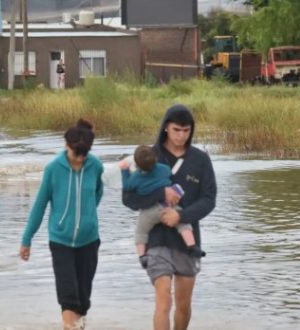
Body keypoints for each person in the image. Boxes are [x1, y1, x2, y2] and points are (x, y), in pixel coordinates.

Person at [122, 104, 217, 330]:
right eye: (176, 130)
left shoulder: (200, 160)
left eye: (186, 131)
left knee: (183, 306)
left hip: (187, 241)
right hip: (156, 241)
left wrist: (181, 215)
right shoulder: (147, 156)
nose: (181, 136)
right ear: (166, 127)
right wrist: (159, 193)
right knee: (163, 300)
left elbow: (209, 199)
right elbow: (129, 199)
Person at [20, 119, 104, 330]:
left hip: (89, 241)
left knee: (83, 302)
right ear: (66, 145)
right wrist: (26, 239)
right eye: (76, 155)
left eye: (83, 156)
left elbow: (97, 195)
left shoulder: (95, 166)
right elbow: (40, 205)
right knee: (68, 297)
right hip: (61, 241)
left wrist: (87, 218)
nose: (79, 161)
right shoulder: (53, 169)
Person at [119, 145, 204, 269]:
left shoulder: (135, 178)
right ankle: (192, 246)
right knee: (183, 223)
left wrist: (125, 171)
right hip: (168, 206)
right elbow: (169, 173)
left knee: (141, 232)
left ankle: (142, 256)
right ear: (155, 159)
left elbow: (127, 186)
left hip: (149, 211)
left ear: (137, 164)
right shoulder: (164, 169)